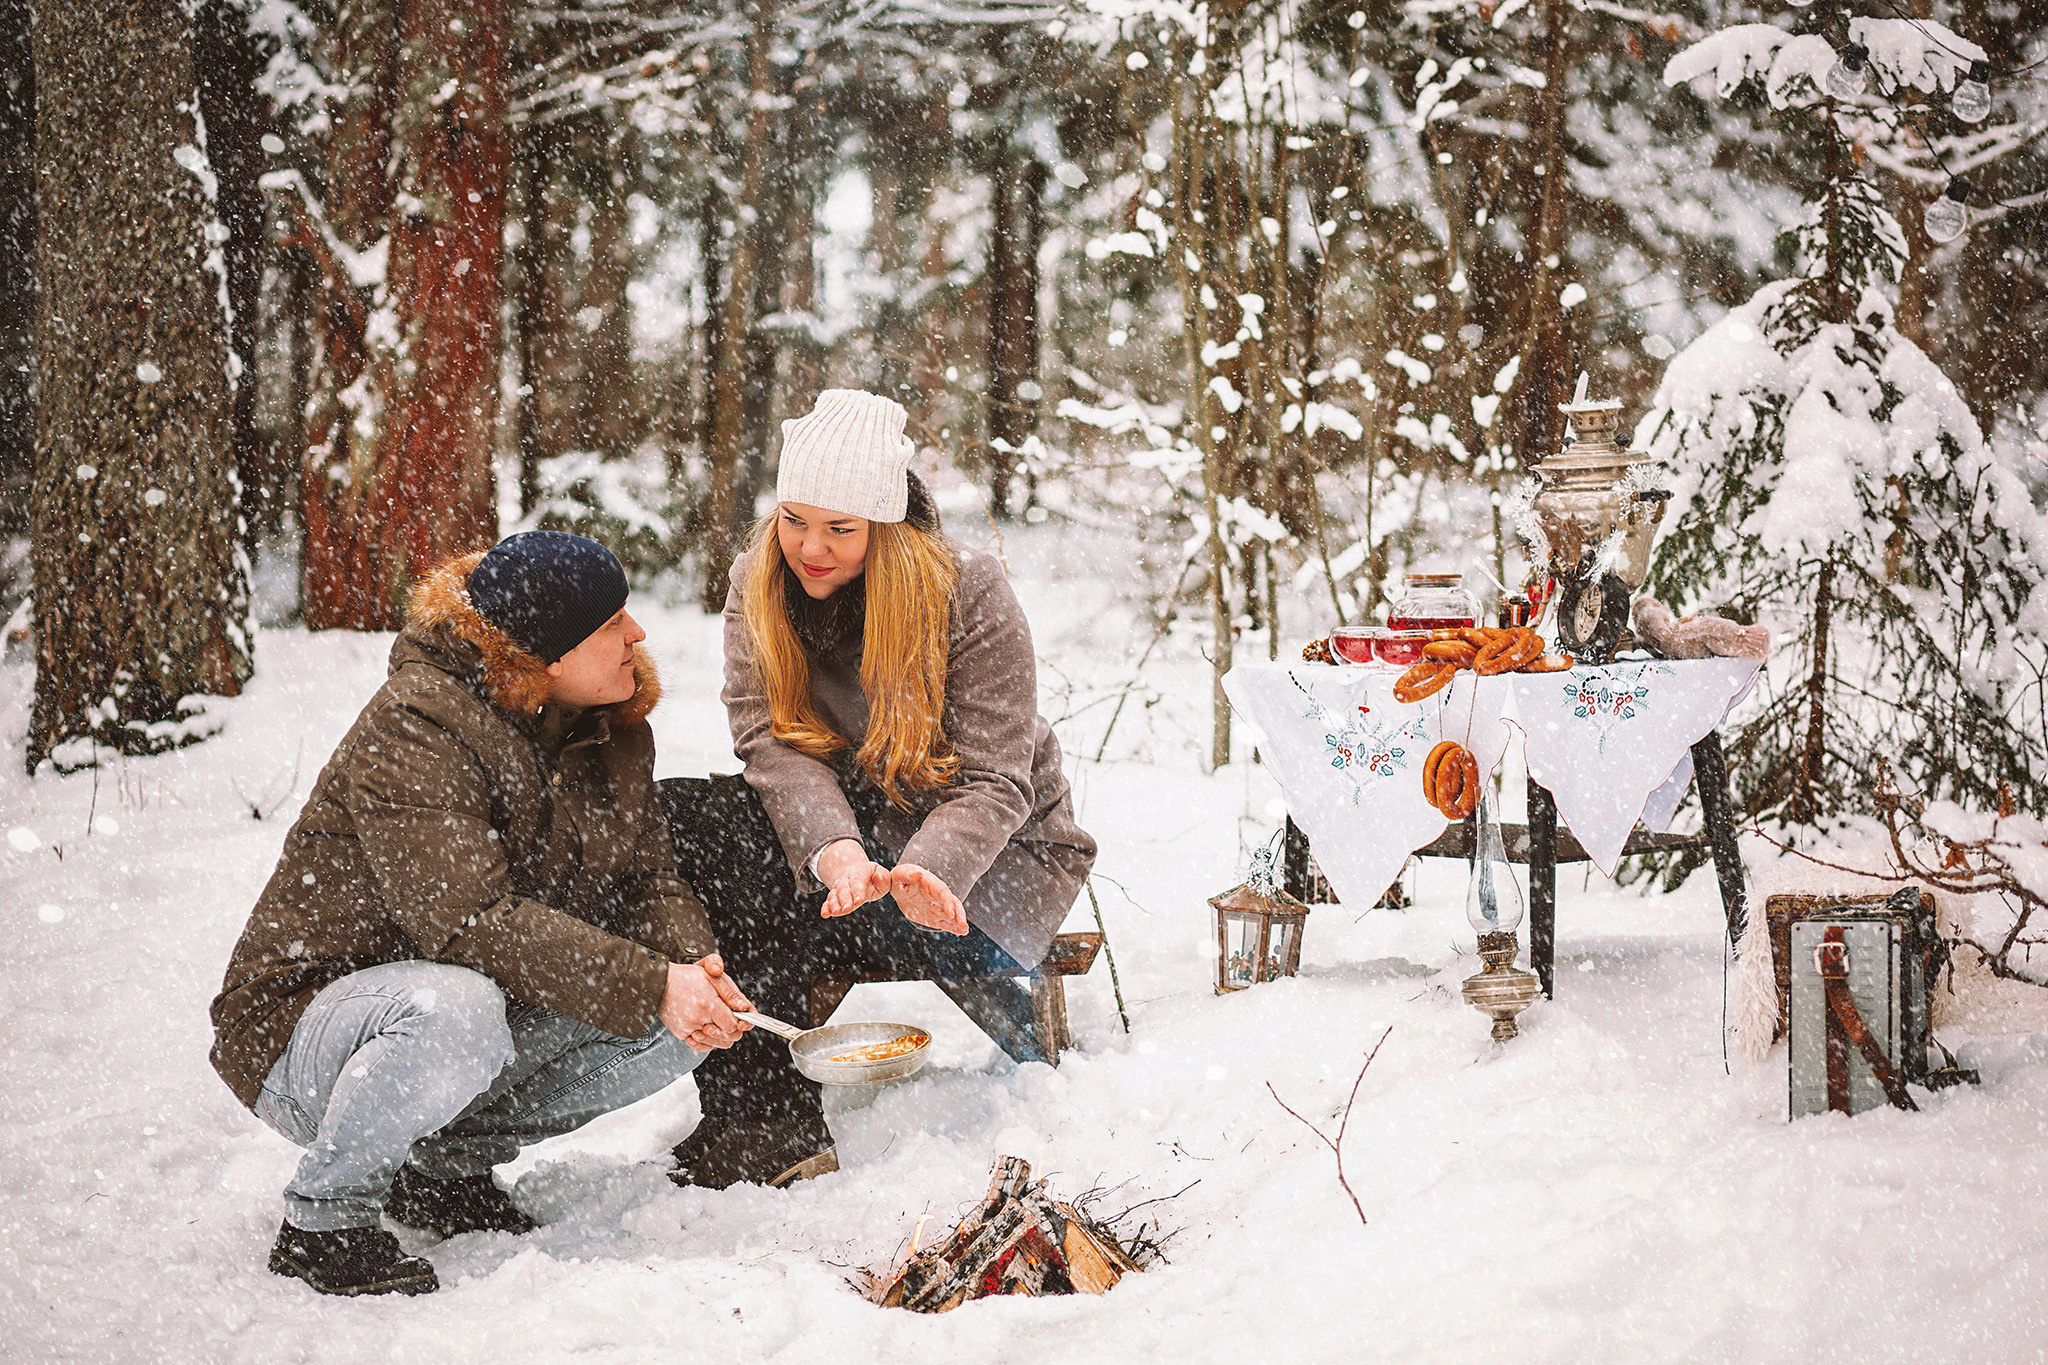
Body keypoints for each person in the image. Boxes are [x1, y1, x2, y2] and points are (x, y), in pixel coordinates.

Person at [209, 532, 754, 1298]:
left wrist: (693, 968)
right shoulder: (418, 725)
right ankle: (324, 1220)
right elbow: (468, 921)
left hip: (458, 1010)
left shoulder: (610, 727)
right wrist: (651, 980)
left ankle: (441, 1172)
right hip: (306, 1026)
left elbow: (648, 880)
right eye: (611, 623)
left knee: (675, 1026)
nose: (637, 635)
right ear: (547, 655)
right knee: (456, 1007)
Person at [666, 389, 1096, 1190]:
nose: (809, 547)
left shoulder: (968, 590)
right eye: (794, 518)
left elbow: (996, 777)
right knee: (697, 816)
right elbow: (771, 745)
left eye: (839, 528)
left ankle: (760, 1113)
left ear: (885, 525)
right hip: (849, 881)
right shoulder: (756, 585)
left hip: (982, 879)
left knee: (757, 864)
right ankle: (766, 1120)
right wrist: (835, 853)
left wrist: (929, 867)